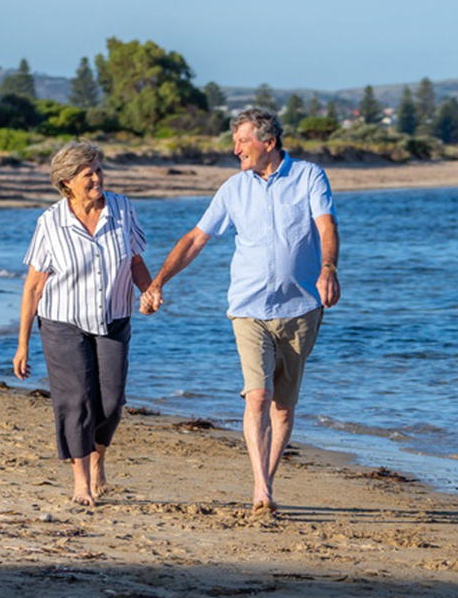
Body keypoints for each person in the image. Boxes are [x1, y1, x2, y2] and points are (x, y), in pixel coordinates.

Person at [141, 107, 339, 514]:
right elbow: (196, 239)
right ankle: (260, 488)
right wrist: (159, 281)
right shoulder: (233, 189)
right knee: (258, 395)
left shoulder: (309, 176)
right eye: (235, 142)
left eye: (243, 141)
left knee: (283, 406)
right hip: (248, 308)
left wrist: (328, 269)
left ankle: (268, 480)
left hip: (301, 307)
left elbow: (326, 226)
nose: (236, 150)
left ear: (269, 142)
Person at [13, 141, 151, 507]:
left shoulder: (122, 209)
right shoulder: (50, 222)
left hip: (113, 319)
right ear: (66, 183)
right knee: (76, 400)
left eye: (99, 169)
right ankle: (81, 481)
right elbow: (34, 287)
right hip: (62, 322)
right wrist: (23, 344)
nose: (97, 178)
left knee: (112, 401)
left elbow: (135, 261)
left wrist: (149, 291)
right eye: (87, 173)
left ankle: (97, 457)